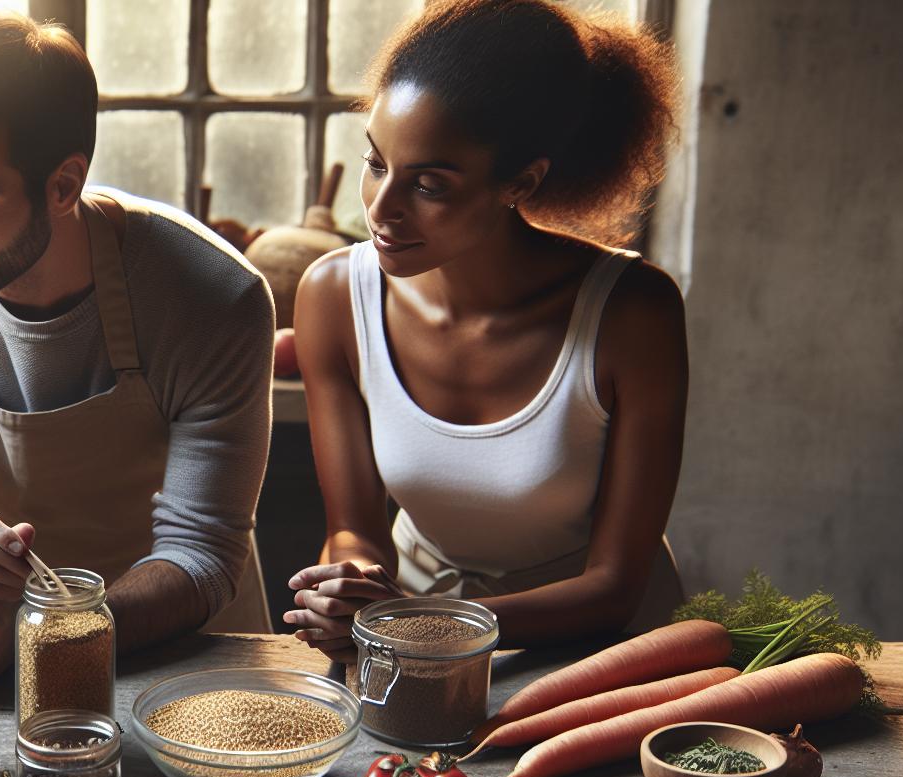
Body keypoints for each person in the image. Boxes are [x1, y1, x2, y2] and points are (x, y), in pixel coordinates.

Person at [0, 14, 276, 683]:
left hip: (186, 659)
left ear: (64, 185)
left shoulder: (212, 297)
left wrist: (47, 634)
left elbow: (202, 558)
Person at [286, 0, 687, 658]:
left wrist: (429, 624)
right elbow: (355, 529)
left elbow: (615, 586)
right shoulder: (333, 297)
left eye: (430, 186)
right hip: (407, 636)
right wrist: (353, 584)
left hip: (598, 652)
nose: (382, 211)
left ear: (519, 182)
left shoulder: (632, 312)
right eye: (377, 164)